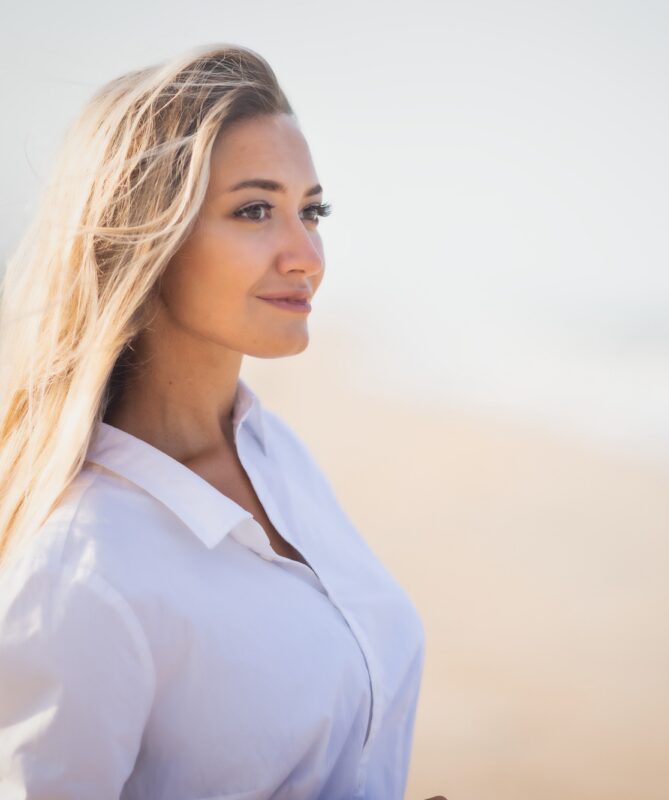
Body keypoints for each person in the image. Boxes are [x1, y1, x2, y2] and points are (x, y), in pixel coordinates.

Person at [0, 44, 444, 800]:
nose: (307, 255)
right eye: (254, 210)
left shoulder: (277, 454)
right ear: (146, 236)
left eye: (313, 211)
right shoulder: (78, 574)